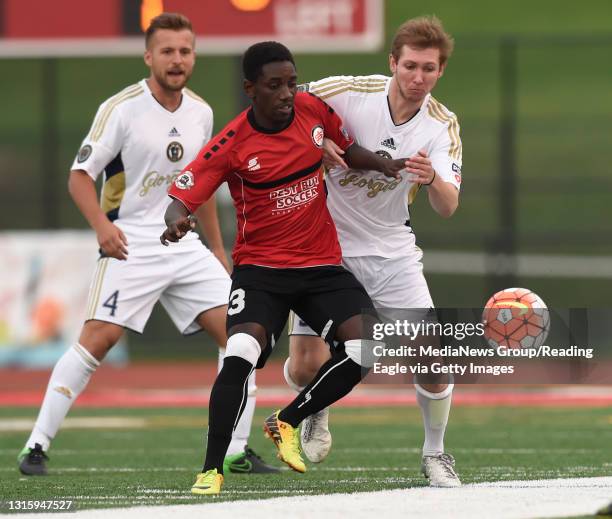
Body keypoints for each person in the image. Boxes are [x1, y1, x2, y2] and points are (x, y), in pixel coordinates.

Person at [17, 12, 277, 477]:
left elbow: (200, 188)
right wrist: (102, 227)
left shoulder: (201, 112)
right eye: (167, 51)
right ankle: (36, 445)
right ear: (148, 57)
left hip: (184, 245)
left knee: (244, 335)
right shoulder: (122, 108)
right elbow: (80, 176)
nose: (177, 60)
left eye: (185, 51)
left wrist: (218, 250)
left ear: (193, 55)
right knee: (98, 340)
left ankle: (235, 450)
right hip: (130, 241)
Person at [161, 41, 408, 495]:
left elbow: (348, 150)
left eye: (291, 83)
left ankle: (287, 421)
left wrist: (381, 164)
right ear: (250, 88)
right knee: (239, 353)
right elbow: (182, 196)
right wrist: (177, 222)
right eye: (274, 85)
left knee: (367, 347)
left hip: (321, 269)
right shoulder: (232, 144)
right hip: (262, 274)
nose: (286, 93)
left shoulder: (313, 110)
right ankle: (211, 469)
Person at [286, 16, 462, 487]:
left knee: (432, 357)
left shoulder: (441, 125)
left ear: (441, 70)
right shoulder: (348, 91)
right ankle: (315, 409)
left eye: (428, 68)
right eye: (410, 66)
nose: (417, 78)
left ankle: (435, 453)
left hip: (391, 251)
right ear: (393, 63)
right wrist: (316, 143)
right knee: (305, 365)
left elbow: (448, 207)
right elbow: (282, 104)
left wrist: (433, 181)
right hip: (323, 246)